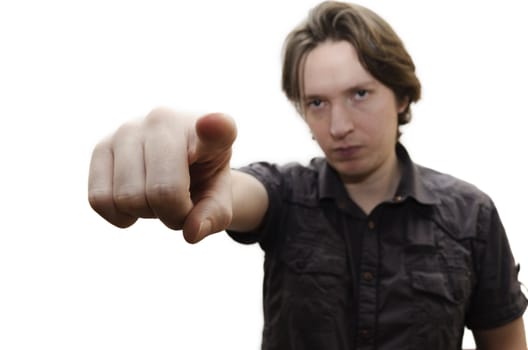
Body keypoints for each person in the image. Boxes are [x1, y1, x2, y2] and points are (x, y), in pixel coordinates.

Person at [88, 1, 527, 349]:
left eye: (359, 94)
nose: (338, 126)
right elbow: (244, 192)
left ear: (401, 97)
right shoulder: (286, 197)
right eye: (317, 103)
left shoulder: (472, 215)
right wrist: (202, 179)